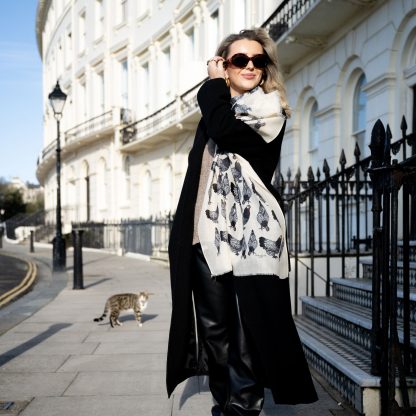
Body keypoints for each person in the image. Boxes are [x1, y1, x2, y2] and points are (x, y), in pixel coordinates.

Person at [166, 28, 318, 415]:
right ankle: (225, 401)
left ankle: (245, 404)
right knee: (214, 327)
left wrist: (212, 86)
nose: (250, 66)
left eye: (258, 60)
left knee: (248, 324)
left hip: (252, 238)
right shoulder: (216, 111)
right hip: (205, 234)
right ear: (225, 64)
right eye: (239, 60)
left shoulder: (269, 114)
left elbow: (225, 132)